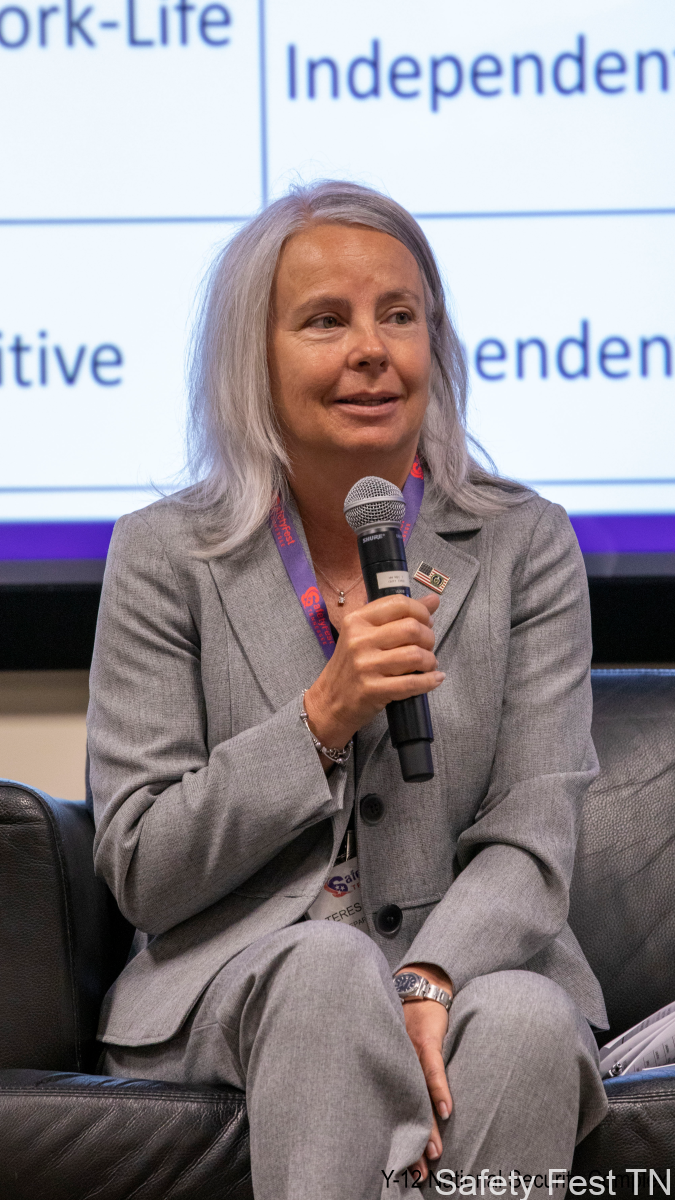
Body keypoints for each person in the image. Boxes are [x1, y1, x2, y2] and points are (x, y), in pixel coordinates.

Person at [88, 180, 609, 1198]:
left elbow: (534, 830)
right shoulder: (164, 556)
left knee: (529, 1020)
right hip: (242, 975)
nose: (372, 350)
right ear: (254, 360)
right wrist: (320, 719)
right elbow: (144, 865)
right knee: (327, 974)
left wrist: (430, 975)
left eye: (399, 316)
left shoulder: (525, 543)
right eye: (326, 321)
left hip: (473, 966)